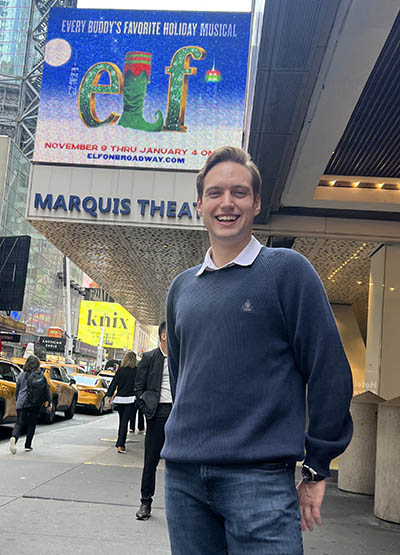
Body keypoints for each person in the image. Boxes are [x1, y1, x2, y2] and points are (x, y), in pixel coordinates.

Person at [163, 146, 353, 554]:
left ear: (257, 202)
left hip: (260, 482)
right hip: (183, 480)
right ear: (199, 204)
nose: (226, 203)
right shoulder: (181, 288)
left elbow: (329, 371)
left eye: (239, 192)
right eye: (215, 193)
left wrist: (318, 467)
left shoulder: (287, 271)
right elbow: (182, 380)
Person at [134, 322, 171, 520]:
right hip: (157, 413)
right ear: (164, 336)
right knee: (151, 460)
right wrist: (147, 410)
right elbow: (138, 388)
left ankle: (183, 507)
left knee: (181, 461)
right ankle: (145, 502)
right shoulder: (149, 358)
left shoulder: (181, 358)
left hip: (178, 412)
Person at [9, 355, 51, 454]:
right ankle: (28, 445)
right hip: (34, 403)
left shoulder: (21, 374)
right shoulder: (39, 375)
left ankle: (14, 438)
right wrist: (49, 402)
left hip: (21, 402)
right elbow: (45, 389)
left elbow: (18, 389)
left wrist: (17, 400)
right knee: (31, 424)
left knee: (19, 423)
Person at [105, 350, 137, 454]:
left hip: (120, 399)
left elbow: (114, 383)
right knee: (125, 422)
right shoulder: (136, 371)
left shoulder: (121, 370)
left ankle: (119, 442)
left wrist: (109, 396)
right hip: (131, 399)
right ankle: (120, 444)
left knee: (121, 421)